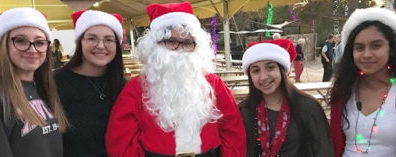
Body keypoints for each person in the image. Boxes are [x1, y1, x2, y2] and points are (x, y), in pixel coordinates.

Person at [105, 2, 246, 157]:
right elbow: (121, 140)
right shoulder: (136, 87)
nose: (179, 49)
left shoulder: (213, 83)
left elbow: (233, 132)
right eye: (171, 42)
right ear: (155, 46)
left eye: (187, 43)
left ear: (196, 47)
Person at [239, 39, 334, 157]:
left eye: (270, 67)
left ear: (282, 70)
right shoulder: (244, 111)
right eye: (256, 70)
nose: (263, 77)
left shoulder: (308, 107)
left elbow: (324, 151)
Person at [55, 10, 125, 157]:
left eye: (108, 39)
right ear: (80, 42)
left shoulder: (124, 87)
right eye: (92, 38)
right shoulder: (55, 82)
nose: (101, 45)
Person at [0, 8, 68, 157]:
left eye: (39, 42)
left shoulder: (47, 88)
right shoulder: (3, 95)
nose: (32, 49)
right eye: (20, 40)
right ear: (4, 45)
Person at [330, 8, 396, 157]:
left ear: (391, 48)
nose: (367, 54)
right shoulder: (343, 90)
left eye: (376, 46)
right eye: (359, 48)